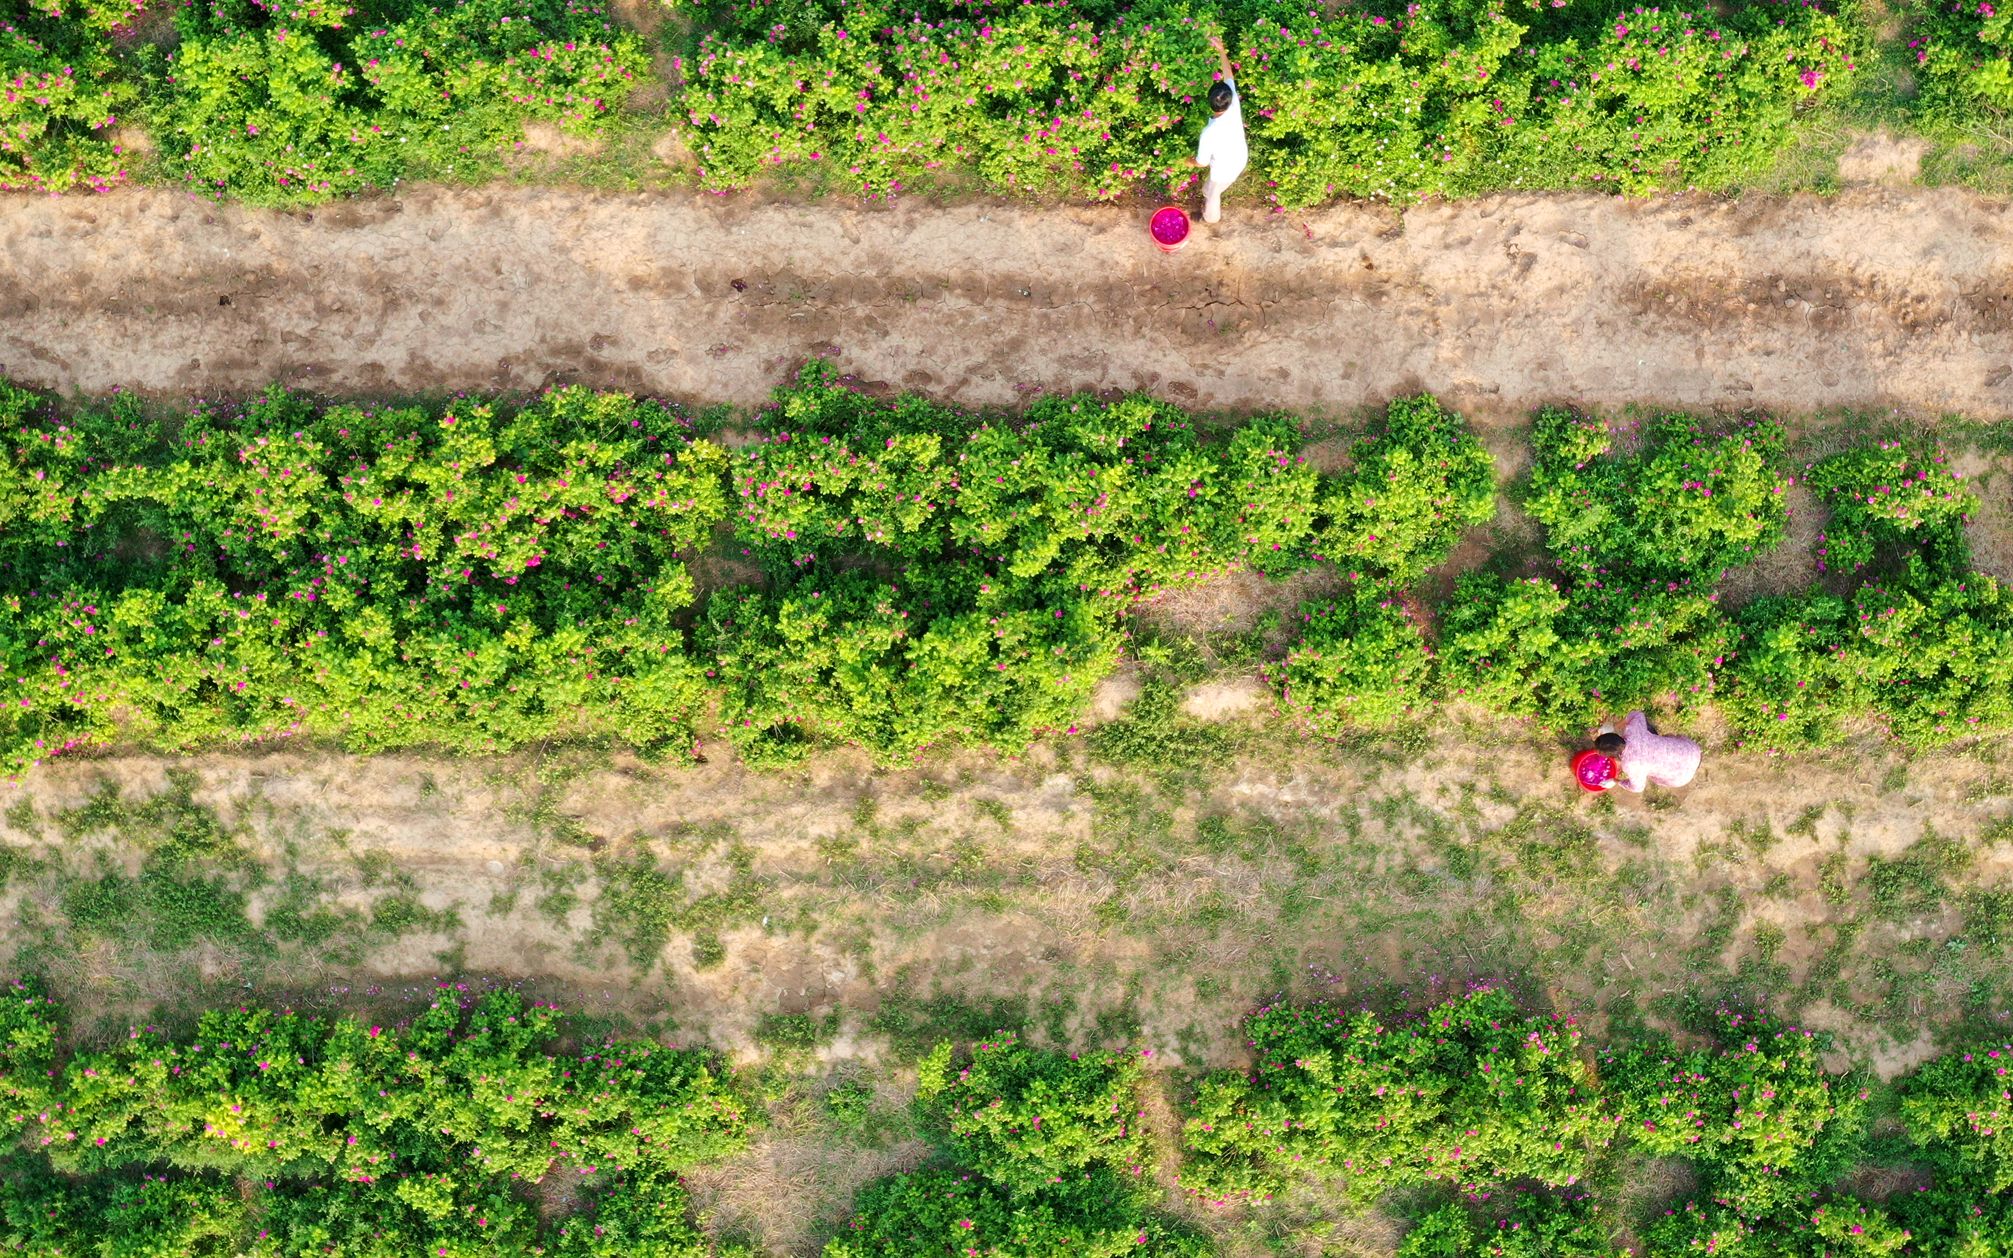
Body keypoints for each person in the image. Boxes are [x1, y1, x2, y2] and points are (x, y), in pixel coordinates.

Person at [1194, 35, 1246, 225]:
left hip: (1224, 170)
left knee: (1212, 193)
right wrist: (1221, 50)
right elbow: (1229, 75)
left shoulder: (1209, 132)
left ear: (1210, 103)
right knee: (1213, 188)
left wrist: (1187, 161)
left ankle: (1210, 218)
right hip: (1239, 157)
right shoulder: (1232, 105)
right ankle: (1208, 198)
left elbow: (1201, 162)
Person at [1594, 711, 1701, 793]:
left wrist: (1615, 781)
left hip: (1681, 776)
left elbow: (1637, 788)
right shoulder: (1632, 732)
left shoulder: (1630, 765)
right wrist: (1615, 726)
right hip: (1691, 751)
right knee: (1664, 738)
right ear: (1615, 735)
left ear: (1613, 757)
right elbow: (1637, 714)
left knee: (1651, 774)